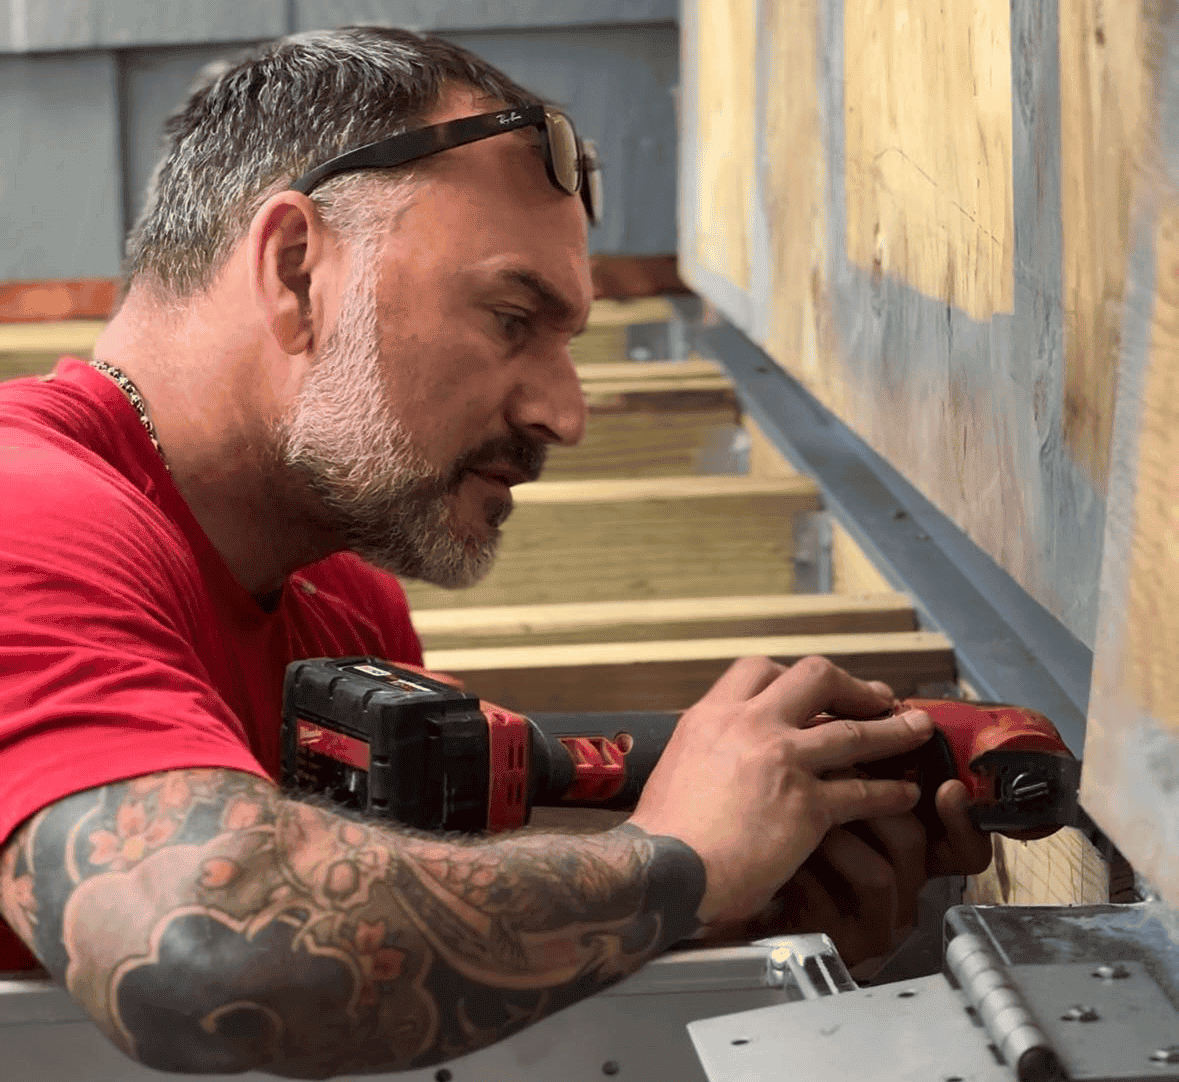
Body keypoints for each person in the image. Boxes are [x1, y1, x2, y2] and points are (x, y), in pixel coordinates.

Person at [0, 26, 990, 1076]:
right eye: (513, 318)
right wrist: (679, 865)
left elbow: (386, 971)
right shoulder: (27, 510)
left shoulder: (344, 608)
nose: (564, 413)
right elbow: (208, 953)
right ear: (296, 270)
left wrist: (740, 900)